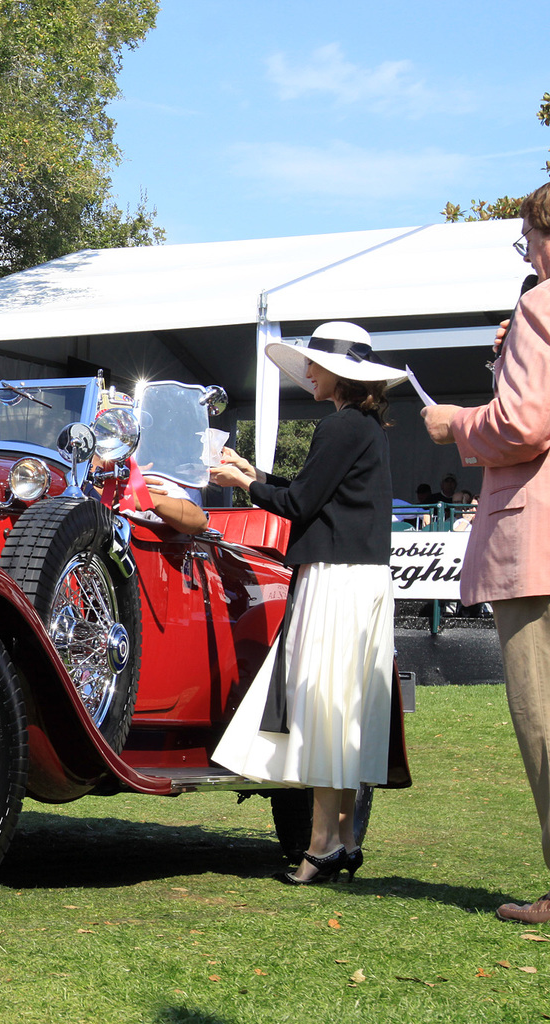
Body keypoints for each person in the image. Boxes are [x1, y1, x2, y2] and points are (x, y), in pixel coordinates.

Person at [209, 321, 404, 885]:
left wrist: (243, 485)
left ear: (338, 373)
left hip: (336, 581)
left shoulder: (340, 426)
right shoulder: (363, 427)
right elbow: (320, 492)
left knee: (324, 704)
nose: (309, 373)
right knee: (345, 708)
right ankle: (340, 838)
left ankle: (321, 844)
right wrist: (256, 474)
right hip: (360, 579)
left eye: (315, 365)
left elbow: (298, 503)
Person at [423, 184, 550, 923]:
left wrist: (456, 424)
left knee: (542, 719)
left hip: (535, 542)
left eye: (527, 239)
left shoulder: (539, 305)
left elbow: (524, 426)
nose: (527, 254)